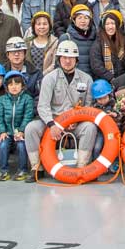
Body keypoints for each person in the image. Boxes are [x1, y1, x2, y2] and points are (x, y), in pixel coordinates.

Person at [25, 40, 96, 174]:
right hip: (53, 121)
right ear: (59, 59)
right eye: (64, 57)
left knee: (90, 128)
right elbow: (43, 106)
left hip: (75, 122)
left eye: (71, 58)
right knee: (31, 129)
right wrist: (51, 125)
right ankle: (36, 167)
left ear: (76, 59)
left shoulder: (86, 79)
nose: (67, 61)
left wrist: (77, 121)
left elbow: (88, 106)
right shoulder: (49, 78)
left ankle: (82, 166)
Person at [0, 70, 36, 181]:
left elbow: (28, 116)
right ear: (7, 86)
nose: (14, 87)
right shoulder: (2, 100)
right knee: (3, 145)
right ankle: (4, 171)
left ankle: (22, 170)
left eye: (17, 84)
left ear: (22, 85)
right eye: (11, 84)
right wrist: (2, 131)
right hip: (8, 132)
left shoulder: (27, 99)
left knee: (21, 146)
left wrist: (21, 131)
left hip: (20, 132)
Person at [91, 9, 125, 83]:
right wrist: (111, 78)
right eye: (107, 24)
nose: (110, 27)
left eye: (113, 23)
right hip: (104, 81)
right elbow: (96, 66)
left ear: (117, 25)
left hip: (123, 80)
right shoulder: (98, 42)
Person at [64, 3, 98, 74]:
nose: (83, 21)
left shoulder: (96, 36)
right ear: (73, 20)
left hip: (93, 78)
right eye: (79, 18)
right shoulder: (66, 37)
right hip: (73, 77)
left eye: (86, 18)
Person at [26, 10, 59, 75]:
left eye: (45, 24)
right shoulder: (27, 42)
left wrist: (42, 75)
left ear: (50, 26)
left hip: (48, 78)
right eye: (38, 24)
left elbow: (54, 64)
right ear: (34, 26)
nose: (42, 27)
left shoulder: (55, 43)